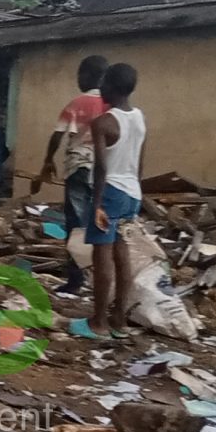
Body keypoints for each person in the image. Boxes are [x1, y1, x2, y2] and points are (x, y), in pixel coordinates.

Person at [25, 55, 110, 297]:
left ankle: (76, 278)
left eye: (79, 75)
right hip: (103, 170)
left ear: (87, 76)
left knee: (76, 224)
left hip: (78, 168)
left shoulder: (77, 103)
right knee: (101, 223)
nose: (78, 80)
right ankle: (99, 276)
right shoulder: (111, 105)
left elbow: (57, 135)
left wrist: (47, 160)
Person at [85, 62, 146, 334]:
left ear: (110, 86)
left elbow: (100, 167)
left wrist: (96, 203)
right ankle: (119, 320)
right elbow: (140, 161)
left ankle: (98, 321)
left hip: (109, 193)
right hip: (132, 193)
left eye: (104, 84)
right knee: (123, 255)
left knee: (103, 257)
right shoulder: (140, 117)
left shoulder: (103, 122)